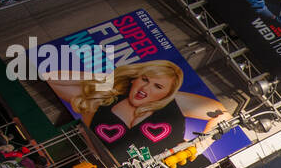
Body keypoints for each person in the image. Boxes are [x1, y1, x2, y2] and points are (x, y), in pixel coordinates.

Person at [41, 60, 229, 159]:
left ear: (167, 94)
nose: (145, 89)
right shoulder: (107, 98)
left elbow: (224, 115)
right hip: (91, 163)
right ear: (135, 78)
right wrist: (114, 79)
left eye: (158, 86)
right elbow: (51, 78)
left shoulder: (174, 102)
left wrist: (195, 148)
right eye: (144, 79)